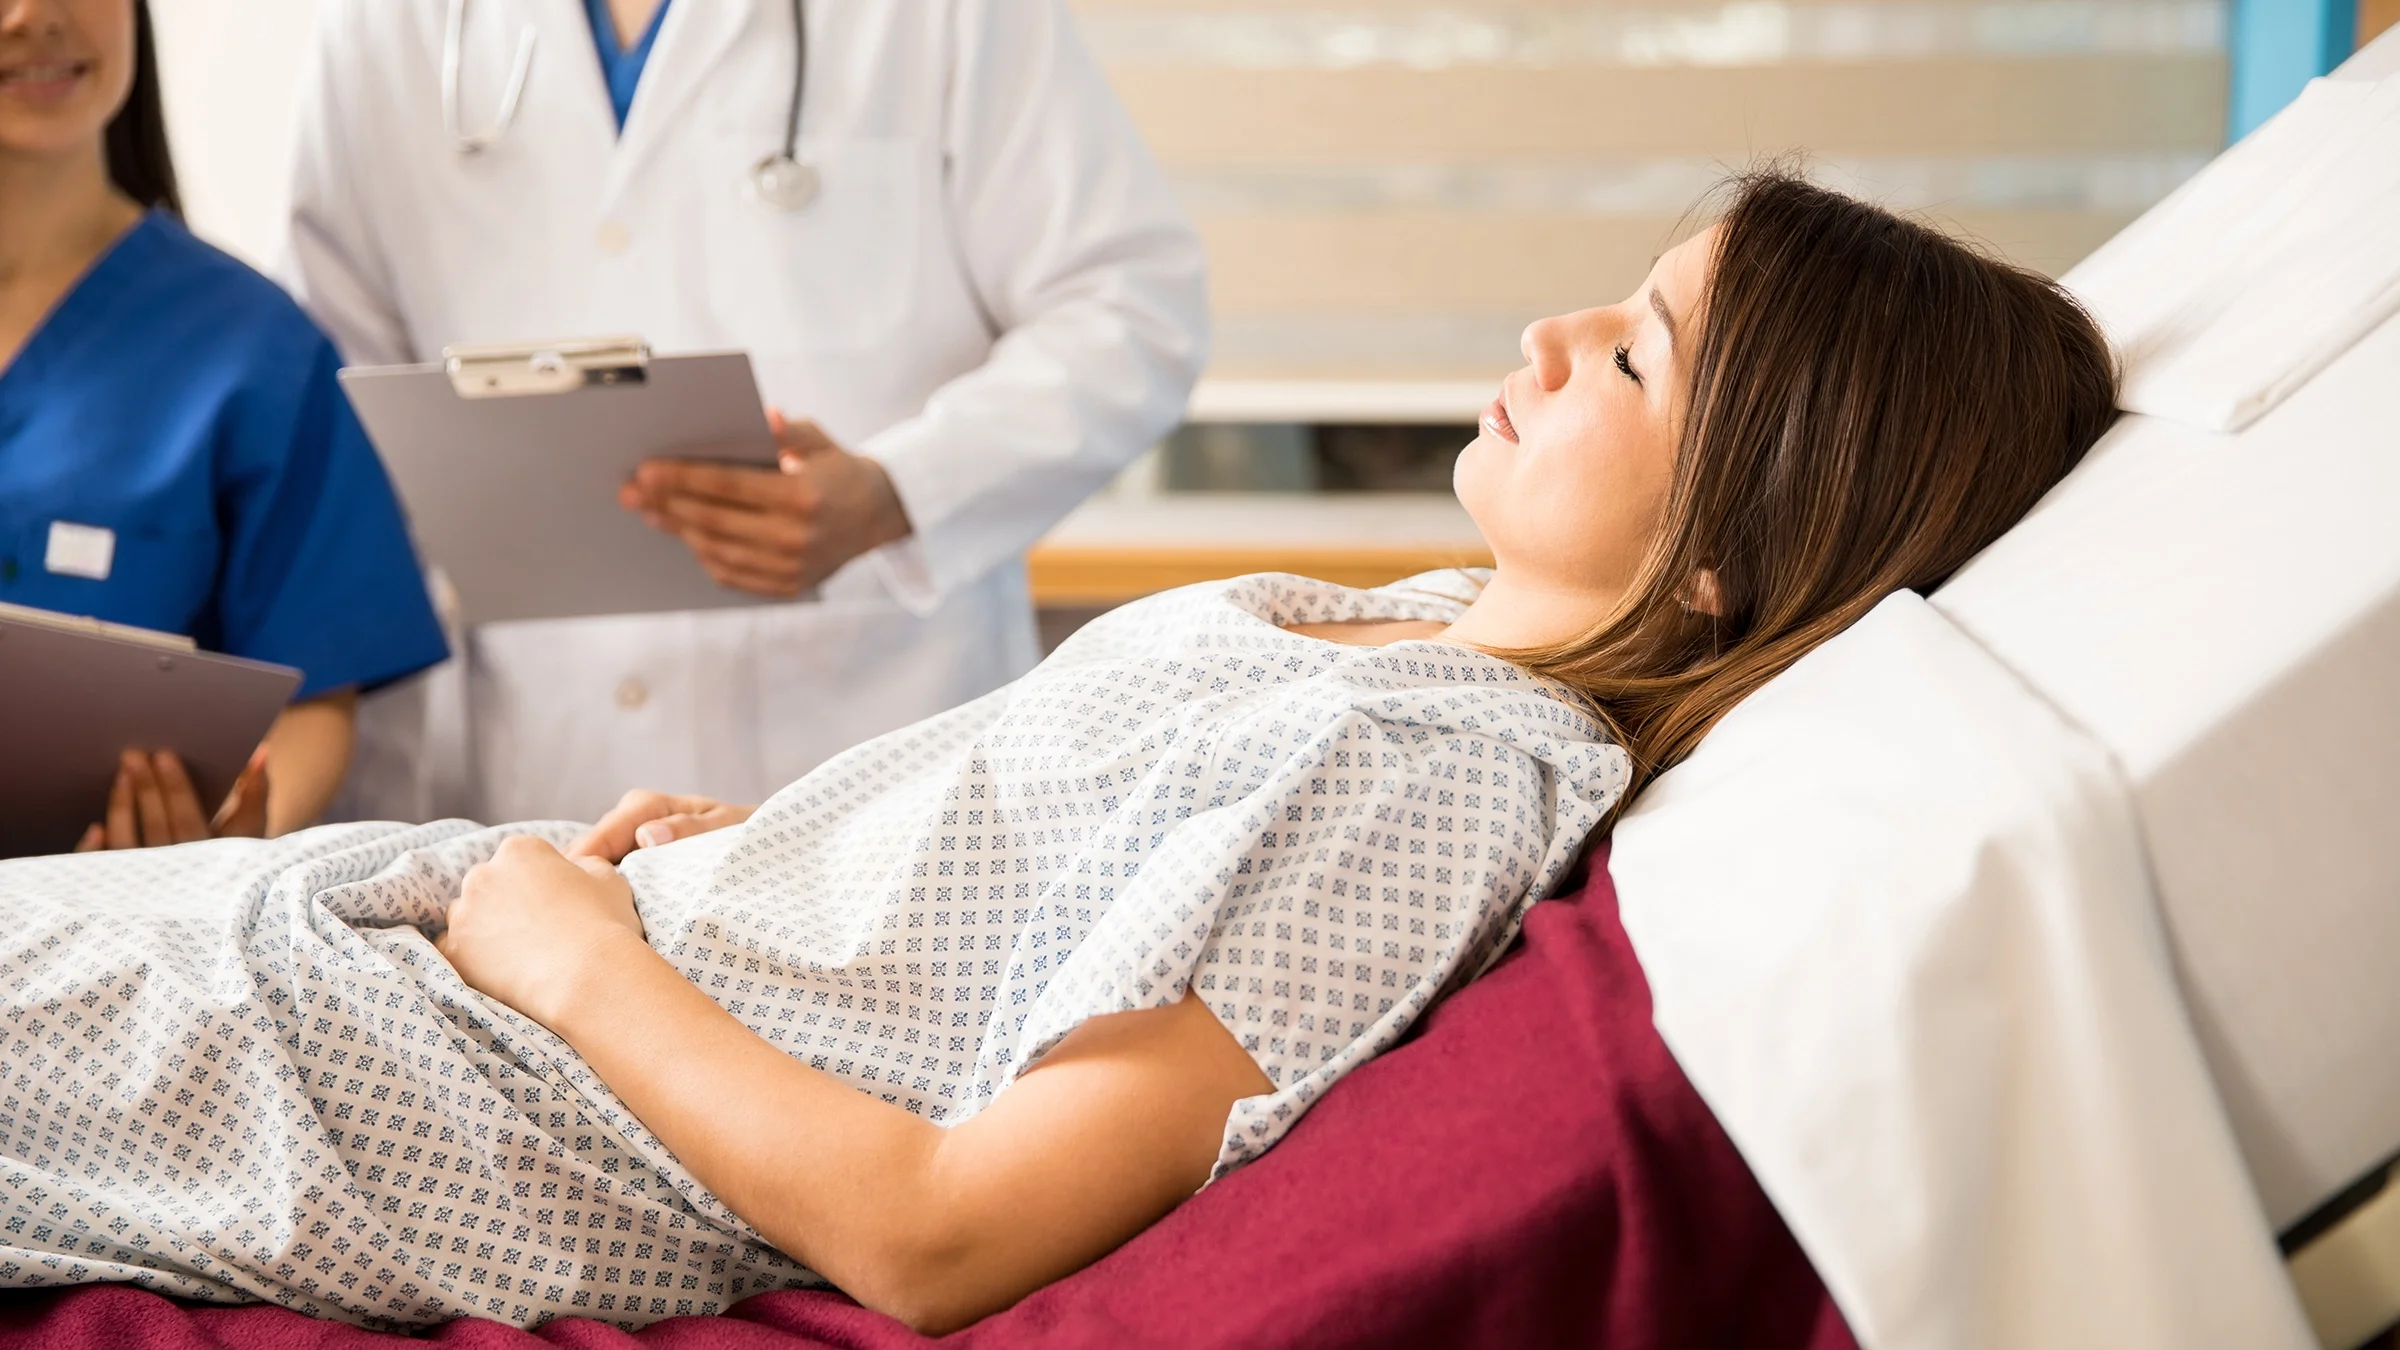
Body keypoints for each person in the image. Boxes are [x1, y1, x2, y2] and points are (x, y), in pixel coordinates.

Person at [0, 173, 2118, 1332]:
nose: (1556, 338)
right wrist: (796, 863)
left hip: (490, 1087)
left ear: (1744, 544)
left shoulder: (1440, 768)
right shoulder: (1399, 638)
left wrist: (588, 967)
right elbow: (1040, 916)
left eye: (1637, 353)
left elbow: (939, 1234)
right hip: (482, 972)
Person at [281, 0, 1208, 826]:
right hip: (519, 753)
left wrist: (901, 491)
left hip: (869, 746)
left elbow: (1128, 310)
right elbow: (330, 400)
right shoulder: (385, 26)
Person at [0, 0, 447, 848]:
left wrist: (227, 837)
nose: (36, 17)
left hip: (113, 950)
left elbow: (312, 695)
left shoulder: (253, 348)